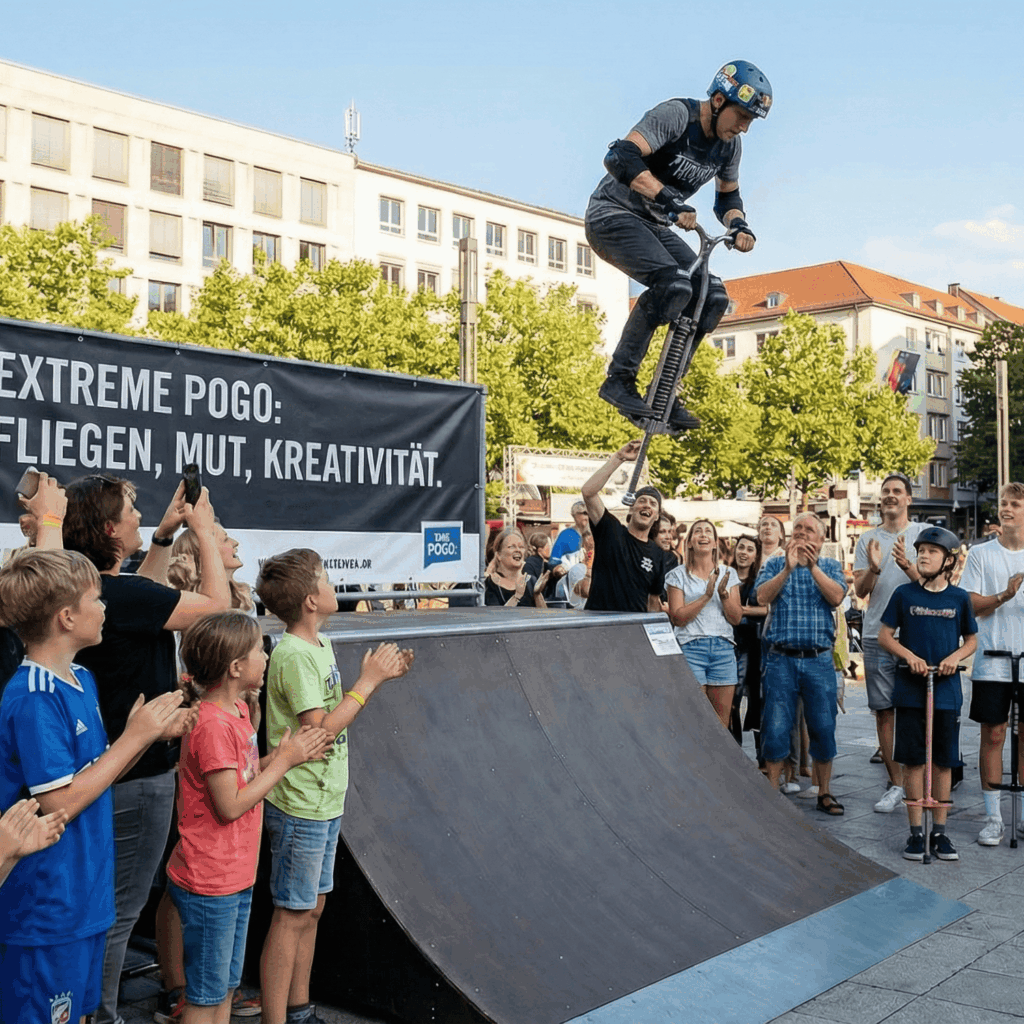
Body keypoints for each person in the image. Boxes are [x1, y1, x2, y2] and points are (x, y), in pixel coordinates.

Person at [62, 476, 230, 1024]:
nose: (139, 515)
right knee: (118, 912)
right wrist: (202, 531)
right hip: (137, 776)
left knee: (106, 908)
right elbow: (217, 610)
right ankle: (102, 1013)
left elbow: (143, 595)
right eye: (132, 510)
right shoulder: (123, 595)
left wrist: (161, 537)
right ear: (110, 529)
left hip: (110, 769)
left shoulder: (107, 592)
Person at [0, 549, 189, 1024]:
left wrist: (142, 740)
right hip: (46, 907)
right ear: (66, 617)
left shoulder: (81, 678)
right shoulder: (33, 696)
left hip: (86, 893)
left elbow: (95, 777)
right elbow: (60, 801)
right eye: (96, 598)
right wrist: (135, 737)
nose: (105, 607)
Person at [255, 548, 414, 1024]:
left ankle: (299, 1008)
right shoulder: (295, 655)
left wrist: (378, 677)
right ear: (309, 600)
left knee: (312, 909)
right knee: (290, 914)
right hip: (300, 803)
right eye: (325, 578)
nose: (333, 584)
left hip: (324, 800)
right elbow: (320, 729)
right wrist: (369, 682)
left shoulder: (319, 645)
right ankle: (275, 1018)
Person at [586, 61, 771, 430]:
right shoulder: (676, 116)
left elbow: (727, 199)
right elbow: (620, 156)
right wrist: (668, 199)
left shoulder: (729, 147)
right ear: (718, 100)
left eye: (752, 121)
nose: (744, 127)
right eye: (741, 116)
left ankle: (665, 391)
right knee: (673, 283)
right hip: (612, 215)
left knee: (712, 294)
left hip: (655, 223)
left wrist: (739, 226)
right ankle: (619, 379)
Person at [167, 613, 331, 1024]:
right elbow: (231, 804)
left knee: (223, 988)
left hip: (233, 876)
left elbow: (243, 775)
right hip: (210, 880)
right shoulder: (211, 725)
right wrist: (285, 763)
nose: (266, 655)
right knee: (206, 997)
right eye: (259, 649)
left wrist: (281, 757)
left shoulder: (238, 711)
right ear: (235, 667)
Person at [878, 527, 977, 861]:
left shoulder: (959, 598)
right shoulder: (904, 594)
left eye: (932, 551)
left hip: (946, 690)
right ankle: (915, 831)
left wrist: (953, 658)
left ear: (948, 560)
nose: (923, 555)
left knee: (944, 760)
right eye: (921, 550)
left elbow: (972, 640)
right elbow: (885, 636)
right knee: (914, 759)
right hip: (910, 688)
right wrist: (909, 656)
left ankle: (941, 831)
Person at [755, 513, 847, 814]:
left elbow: (836, 597)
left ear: (821, 539)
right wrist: (788, 568)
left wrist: (813, 567)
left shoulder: (831, 565)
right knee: (776, 726)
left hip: (818, 659)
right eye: (798, 529)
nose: (802, 535)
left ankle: (825, 791)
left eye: (810, 531)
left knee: (823, 725)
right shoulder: (774, 563)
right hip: (781, 658)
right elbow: (761, 596)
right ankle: (770, 792)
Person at [852, 472, 925, 813]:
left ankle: (917, 779)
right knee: (884, 712)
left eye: (897, 491)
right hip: (876, 634)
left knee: (916, 711)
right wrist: (876, 567)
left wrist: (909, 569)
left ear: (909, 498)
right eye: (886, 492)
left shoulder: (924, 535)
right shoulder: (867, 539)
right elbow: (860, 591)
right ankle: (895, 784)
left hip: (916, 636)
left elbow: (934, 584)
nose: (891, 496)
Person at [960, 482, 1024, 847]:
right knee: (993, 735)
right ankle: (994, 816)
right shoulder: (983, 554)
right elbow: (970, 603)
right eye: (1003, 503)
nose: (1007, 509)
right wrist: (1005, 595)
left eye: (1015, 503)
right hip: (993, 662)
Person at [666, 520, 742, 726]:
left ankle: (718, 760)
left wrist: (724, 595)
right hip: (691, 649)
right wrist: (707, 595)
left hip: (723, 650)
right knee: (694, 719)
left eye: (708, 531)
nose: (703, 534)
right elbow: (678, 618)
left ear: (715, 543)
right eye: (697, 531)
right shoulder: (676, 575)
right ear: (689, 542)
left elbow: (736, 618)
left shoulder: (728, 573)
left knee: (721, 723)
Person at [580, 440, 668, 612]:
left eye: (652, 503)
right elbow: (588, 492)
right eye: (641, 501)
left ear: (656, 516)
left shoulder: (658, 554)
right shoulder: (611, 530)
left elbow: (653, 601)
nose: (646, 505)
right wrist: (619, 457)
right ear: (632, 508)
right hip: (599, 626)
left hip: (632, 631)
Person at [730, 534, 766, 752]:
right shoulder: (724, 575)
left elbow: (767, 609)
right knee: (731, 699)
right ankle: (734, 751)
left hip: (752, 644)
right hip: (729, 642)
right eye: (741, 547)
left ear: (755, 556)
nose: (743, 552)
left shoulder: (759, 581)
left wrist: (738, 609)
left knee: (756, 701)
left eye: (749, 549)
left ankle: (763, 760)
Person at [485, 528, 550, 608]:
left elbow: (543, 617)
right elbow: (496, 617)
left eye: (521, 547)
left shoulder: (531, 581)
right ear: (498, 555)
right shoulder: (490, 583)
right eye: (511, 547)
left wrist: (537, 594)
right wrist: (517, 596)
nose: (518, 550)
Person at [524, 531, 566, 601]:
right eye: (549, 545)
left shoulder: (528, 562)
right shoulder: (538, 564)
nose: (551, 548)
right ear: (540, 549)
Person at [550, 502, 590, 567]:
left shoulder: (594, 534)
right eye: (584, 513)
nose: (586, 517)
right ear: (574, 515)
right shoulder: (566, 535)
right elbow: (554, 560)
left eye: (588, 514)